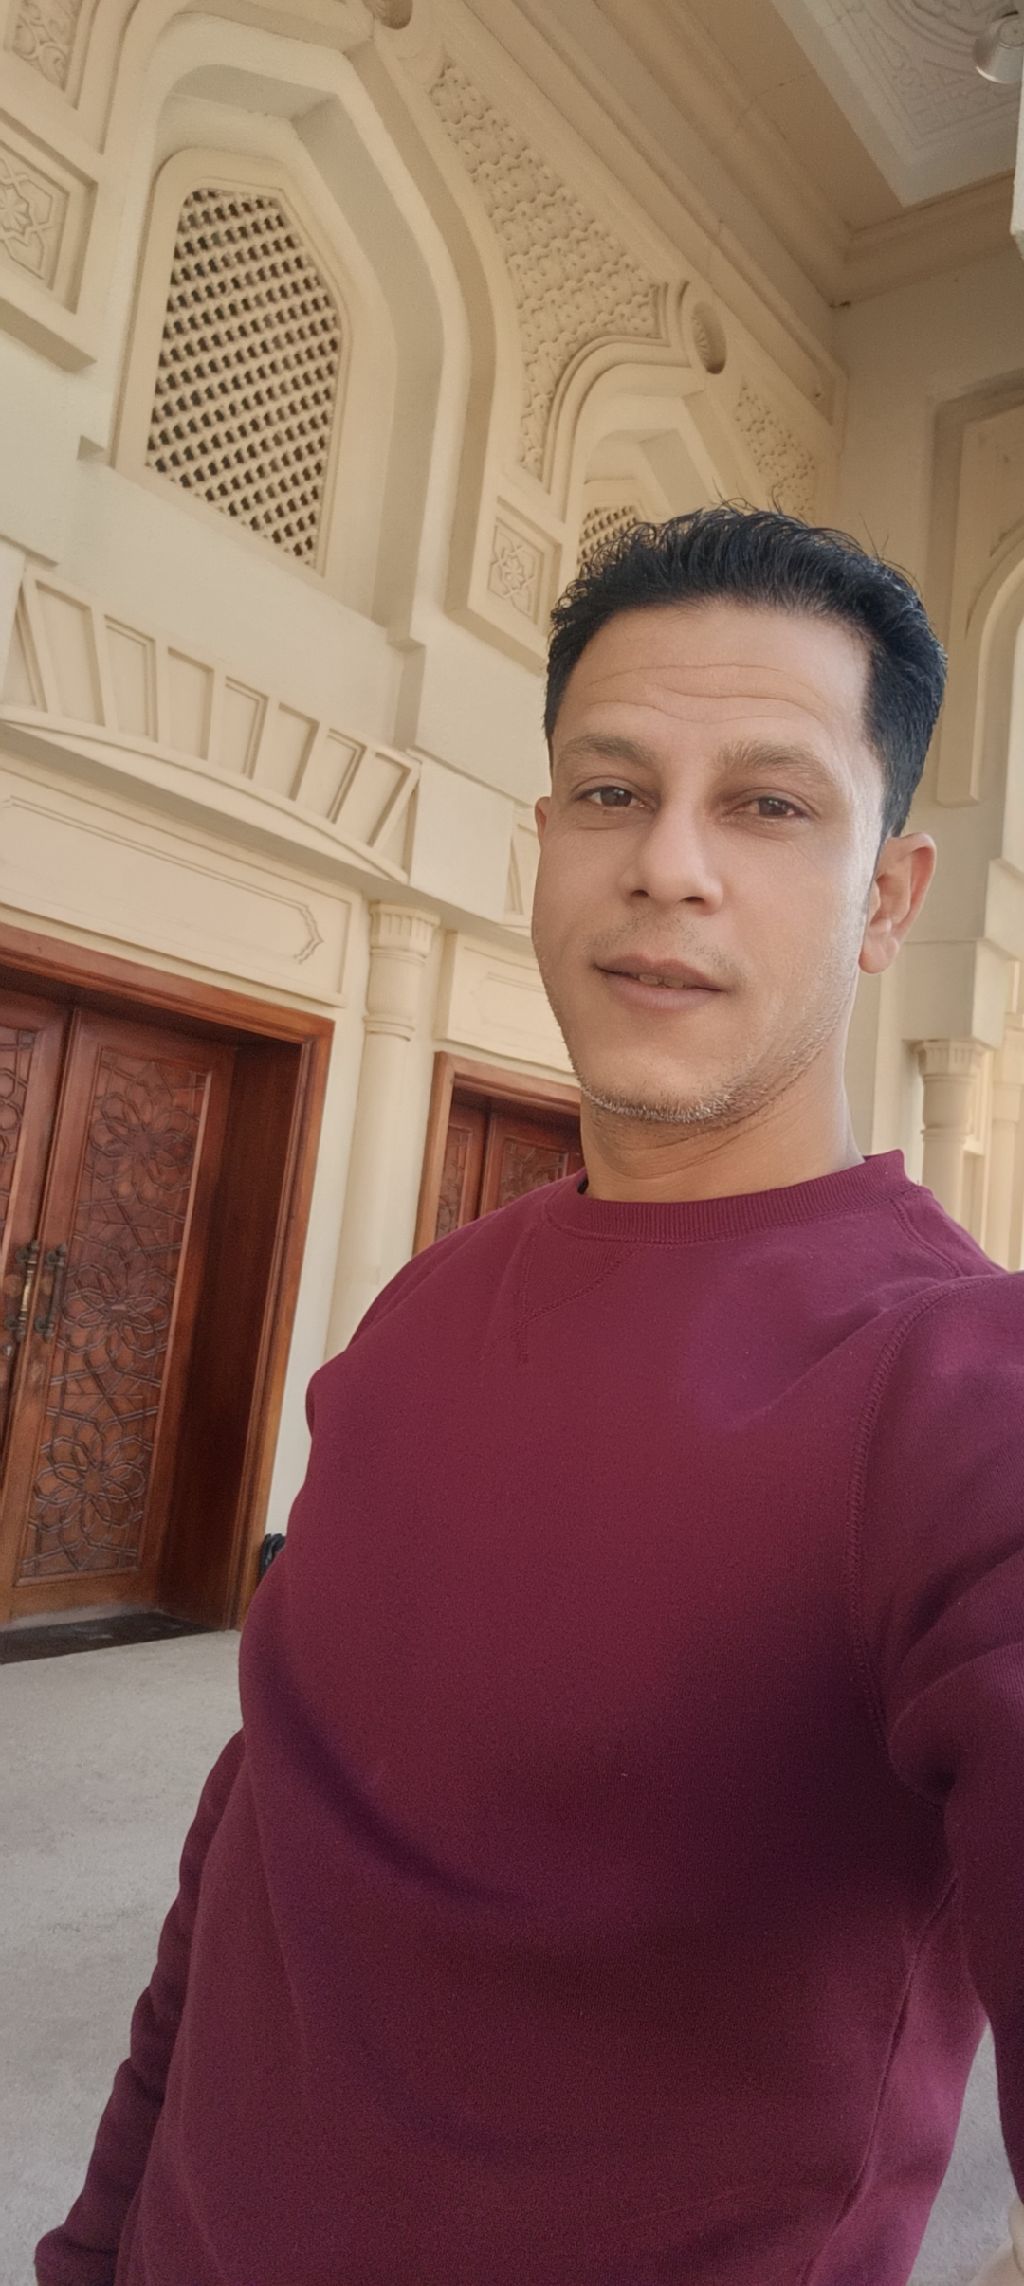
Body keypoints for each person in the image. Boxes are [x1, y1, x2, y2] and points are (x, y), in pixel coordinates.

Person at [36, 507, 1024, 2286]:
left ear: (889, 898)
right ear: (544, 842)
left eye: (770, 803)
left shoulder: (954, 1394)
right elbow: (256, 1847)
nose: (670, 864)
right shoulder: (418, 1314)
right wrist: (97, 2240)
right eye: (611, 790)